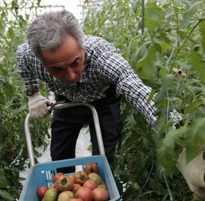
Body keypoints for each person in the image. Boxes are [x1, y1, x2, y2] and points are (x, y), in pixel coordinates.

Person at [16, 9, 156, 167]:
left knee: (103, 158)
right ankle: (65, 185)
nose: (70, 76)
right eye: (57, 69)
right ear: (40, 59)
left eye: (75, 62)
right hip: (65, 101)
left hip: (103, 102)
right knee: (59, 158)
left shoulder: (101, 56)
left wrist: (170, 130)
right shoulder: (29, 56)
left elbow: (135, 88)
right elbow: (21, 57)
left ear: (82, 41)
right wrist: (33, 94)